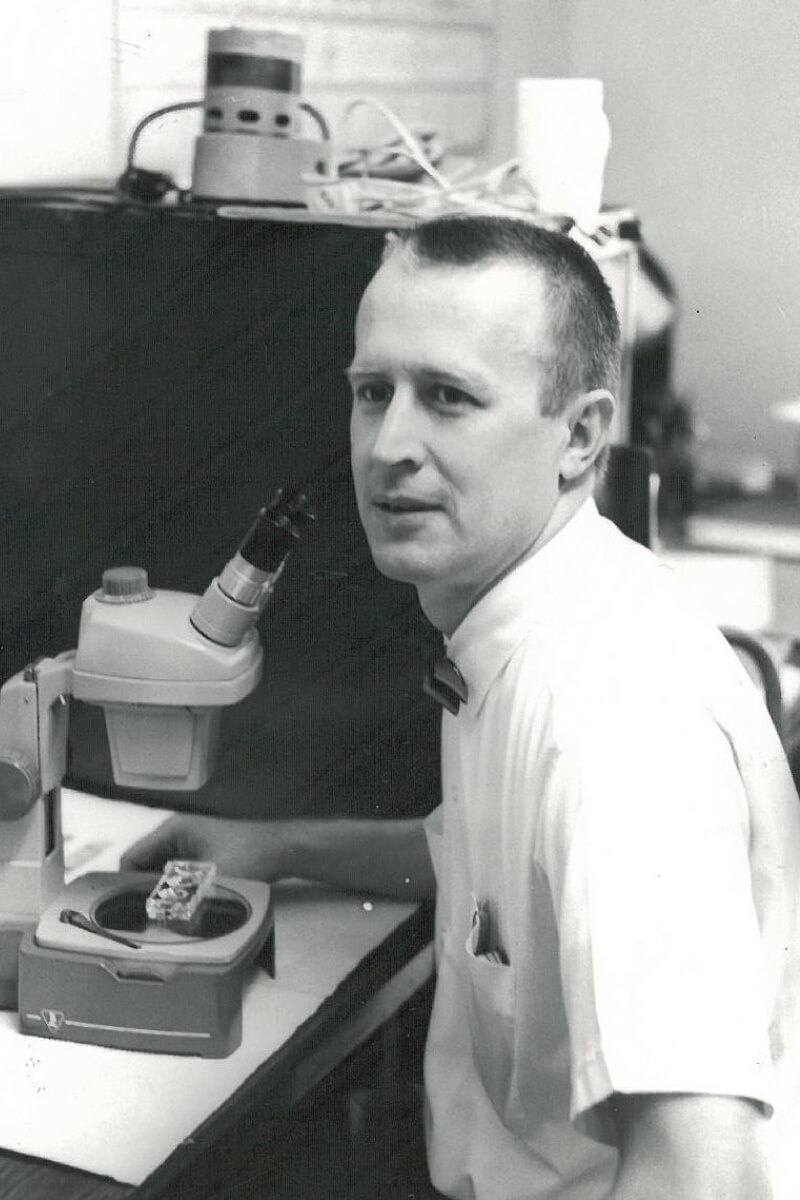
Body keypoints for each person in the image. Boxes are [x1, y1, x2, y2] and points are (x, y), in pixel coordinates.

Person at [123, 215, 800, 1199]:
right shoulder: (529, 617)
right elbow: (490, 865)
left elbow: (704, 1175)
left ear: (579, 436)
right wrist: (274, 847)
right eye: (373, 393)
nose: (388, 446)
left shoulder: (612, 720)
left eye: (448, 397)